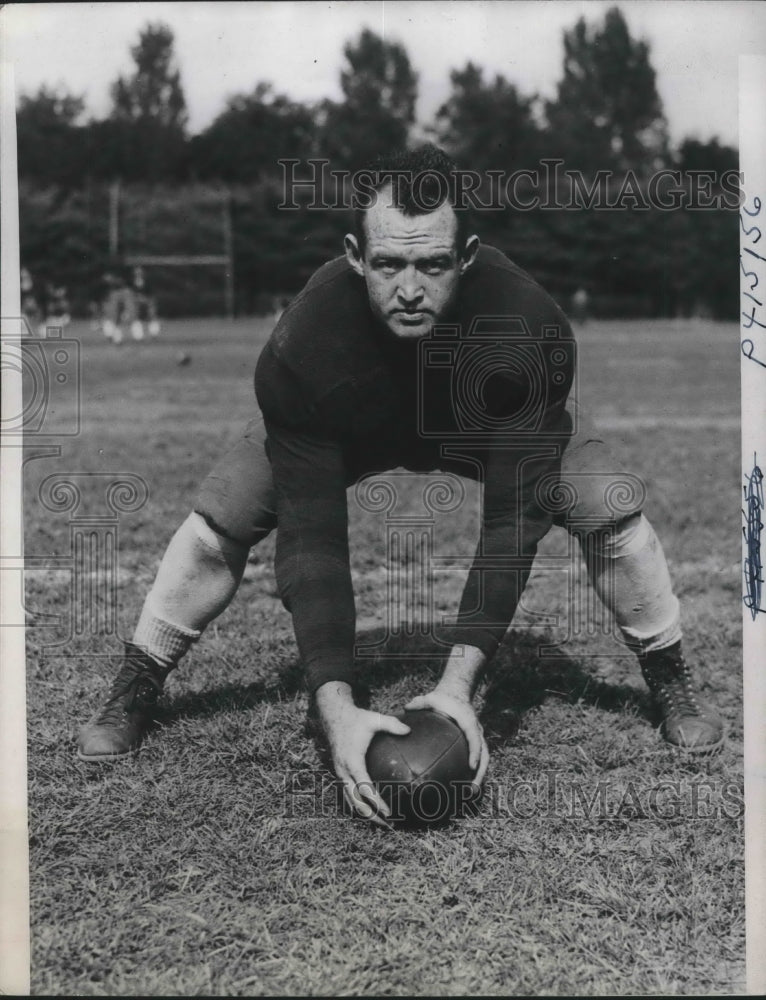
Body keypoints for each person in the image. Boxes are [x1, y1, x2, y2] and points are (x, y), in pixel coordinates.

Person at [77, 146, 724, 826]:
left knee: (609, 509)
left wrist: (456, 689)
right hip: (352, 427)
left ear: (467, 256)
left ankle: (667, 670)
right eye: (389, 264)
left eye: (432, 264)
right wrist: (336, 710)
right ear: (355, 255)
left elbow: (511, 525)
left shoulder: (528, 329)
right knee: (220, 520)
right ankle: (140, 677)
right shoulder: (306, 342)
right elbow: (314, 540)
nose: (409, 288)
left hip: (482, 429)